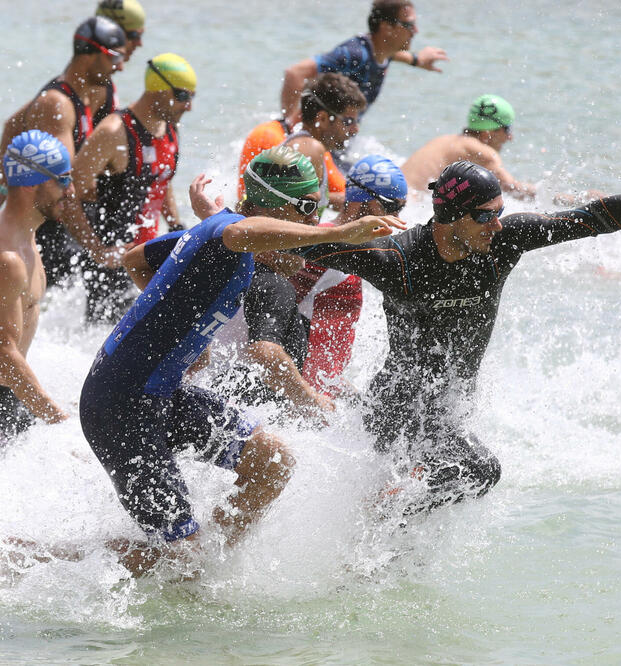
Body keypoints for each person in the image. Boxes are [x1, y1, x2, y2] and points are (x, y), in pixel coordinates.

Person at [292, 151, 621, 513]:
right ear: (452, 215)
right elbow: (297, 241)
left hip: (447, 410)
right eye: (485, 216)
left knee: (453, 487)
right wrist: (225, 227)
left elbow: (591, 218)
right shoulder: (399, 259)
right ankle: (376, 530)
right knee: (480, 470)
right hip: (399, 408)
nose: (497, 224)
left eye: (500, 213)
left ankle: (376, 544)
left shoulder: (503, 241)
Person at [78, 147, 404, 576]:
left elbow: (135, 260)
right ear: (275, 205)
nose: (307, 223)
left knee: (271, 463)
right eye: (307, 211)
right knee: (180, 561)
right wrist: (336, 233)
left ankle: (208, 559)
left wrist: (188, 334)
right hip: (120, 406)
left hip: (160, 395)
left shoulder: (219, 234)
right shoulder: (229, 233)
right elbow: (239, 231)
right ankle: (39, 560)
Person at [62, 54, 195, 323]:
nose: (188, 105)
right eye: (181, 95)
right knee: (102, 340)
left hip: (147, 257)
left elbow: (161, 178)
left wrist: (175, 225)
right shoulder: (114, 131)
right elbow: (67, 191)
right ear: (158, 89)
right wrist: (96, 249)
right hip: (113, 263)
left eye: (191, 96)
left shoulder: (169, 129)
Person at [0, 17, 127, 284]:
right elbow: (62, 186)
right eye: (115, 58)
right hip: (46, 226)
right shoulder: (57, 106)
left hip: (48, 221)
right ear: (91, 53)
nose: (121, 67)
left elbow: (12, 124)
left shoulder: (75, 94)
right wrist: (98, 251)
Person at [290, 154, 408, 394]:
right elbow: (273, 317)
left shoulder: (357, 252)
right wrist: (303, 395)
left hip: (323, 390)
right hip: (305, 400)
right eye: (390, 207)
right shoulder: (323, 252)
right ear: (359, 200)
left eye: (401, 208)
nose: (396, 218)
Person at [0, 131, 74, 444]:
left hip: (10, 397)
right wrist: (59, 420)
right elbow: (4, 354)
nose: (70, 191)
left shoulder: (27, 236)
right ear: (32, 183)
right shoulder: (8, 258)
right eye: (63, 180)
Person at [280, 0, 448, 127]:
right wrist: (289, 126)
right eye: (409, 25)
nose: (416, 31)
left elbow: (393, 54)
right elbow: (295, 72)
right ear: (387, 27)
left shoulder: (384, 51)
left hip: (341, 139)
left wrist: (416, 60)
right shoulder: (354, 54)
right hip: (322, 135)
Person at [238, 73, 368, 212]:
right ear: (322, 118)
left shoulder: (306, 145)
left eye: (356, 121)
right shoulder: (310, 150)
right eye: (348, 121)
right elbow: (290, 220)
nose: (355, 129)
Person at [402, 94, 536, 199]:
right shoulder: (482, 152)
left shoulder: (443, 140)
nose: (510, 137)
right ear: (487, 133)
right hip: (408, 204)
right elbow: (512, 189)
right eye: (507, 129)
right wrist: (550, 196)